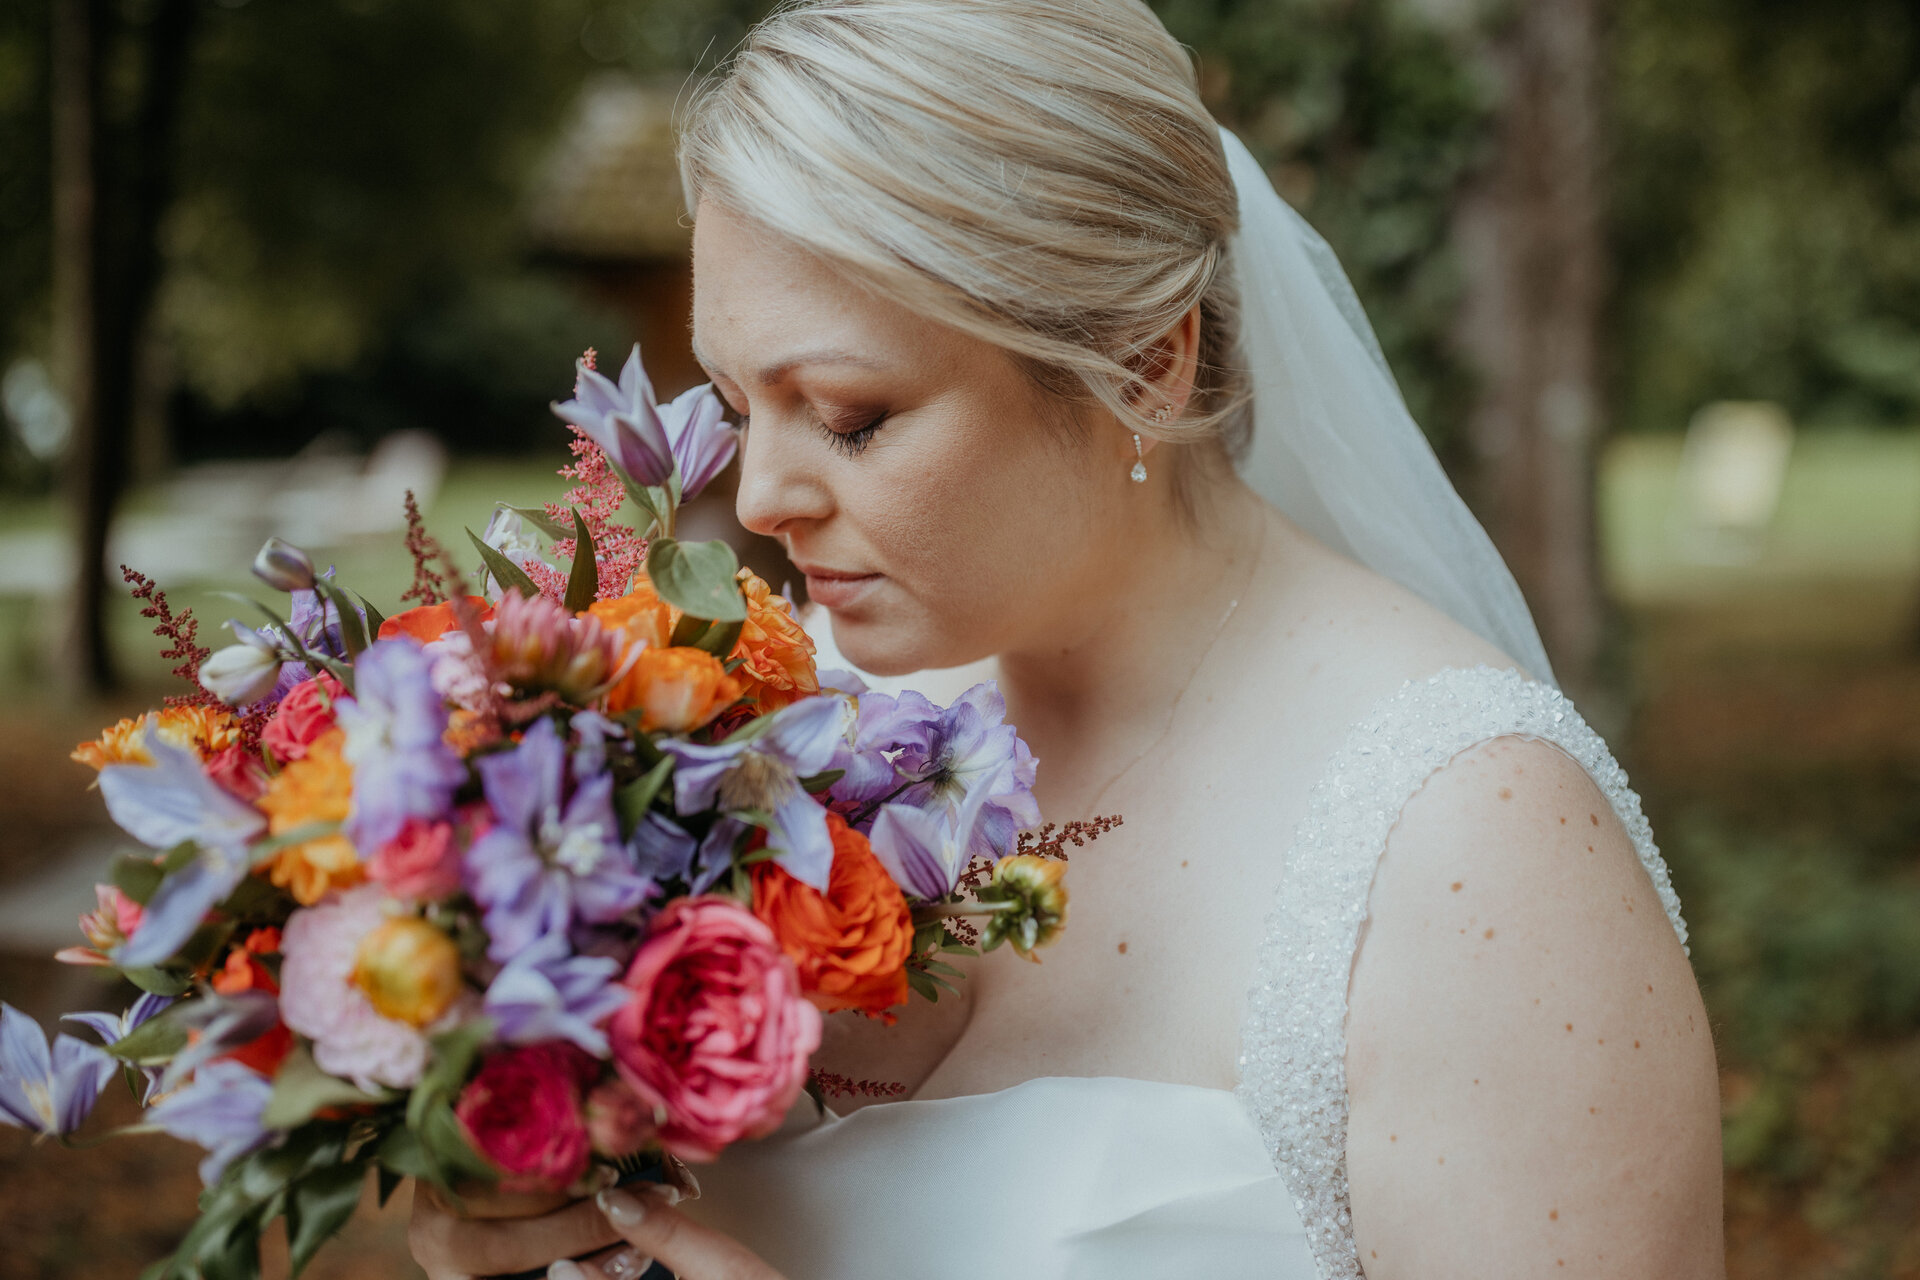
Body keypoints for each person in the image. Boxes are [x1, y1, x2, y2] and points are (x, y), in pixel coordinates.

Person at [409, 1, 1725, 1276]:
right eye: (741, 406)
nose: (758, 501)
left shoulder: (1467, 850)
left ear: (1142, 365)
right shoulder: (770, 722)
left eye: (853, 417)